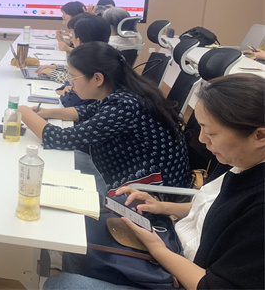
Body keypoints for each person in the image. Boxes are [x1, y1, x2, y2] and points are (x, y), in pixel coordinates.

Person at [45, 73, 264, 290]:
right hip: (173, 244)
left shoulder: (258, 209)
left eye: (212, 133)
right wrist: (161, 207)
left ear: (260, 136)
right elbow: (213, 207)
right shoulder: (242, 160)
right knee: (88, 223)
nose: (202, 139)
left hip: (182, 272)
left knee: (61, 285)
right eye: (202, 128)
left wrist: (158, 250)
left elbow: (213, 285)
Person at [19, 42, 189, 192]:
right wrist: (47, 112)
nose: (70, 82)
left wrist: (21, 110)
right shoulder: (121, 92)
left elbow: (61, 138)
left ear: (97, 78)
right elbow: (86, 111)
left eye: (73, 76)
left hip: (148, 191)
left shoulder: (124, 106)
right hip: (137, 175)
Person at [37, 15, 111, 108]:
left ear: (79, 41)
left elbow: (71, 100)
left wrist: (64, 90)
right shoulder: (107, 55)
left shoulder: (89, 61)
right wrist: (56, 67)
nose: (71, 39)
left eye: (72, 34)